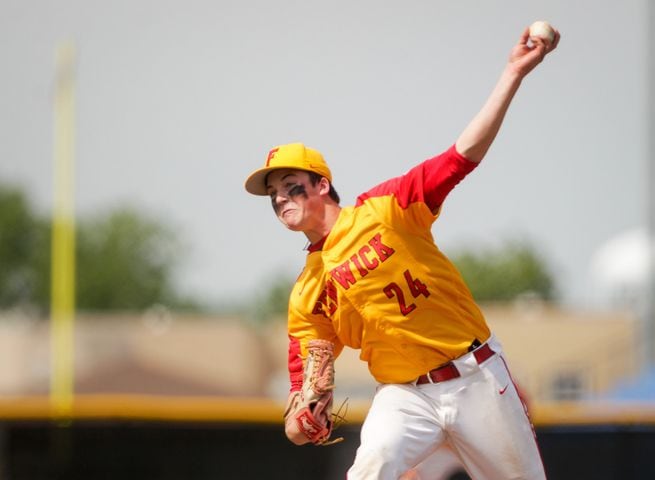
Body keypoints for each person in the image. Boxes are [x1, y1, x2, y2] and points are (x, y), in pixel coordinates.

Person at [244, 24, 559, 480]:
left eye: (289, 186)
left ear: (323, 185)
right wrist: (299, 420)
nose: (279, 199)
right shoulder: (306, 294)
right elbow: (300, 388)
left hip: (475, 379)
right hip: (405, 396)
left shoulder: (385, 209)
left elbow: (461, 156)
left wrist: (512, 74)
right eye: (272, 195)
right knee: (368, 470)